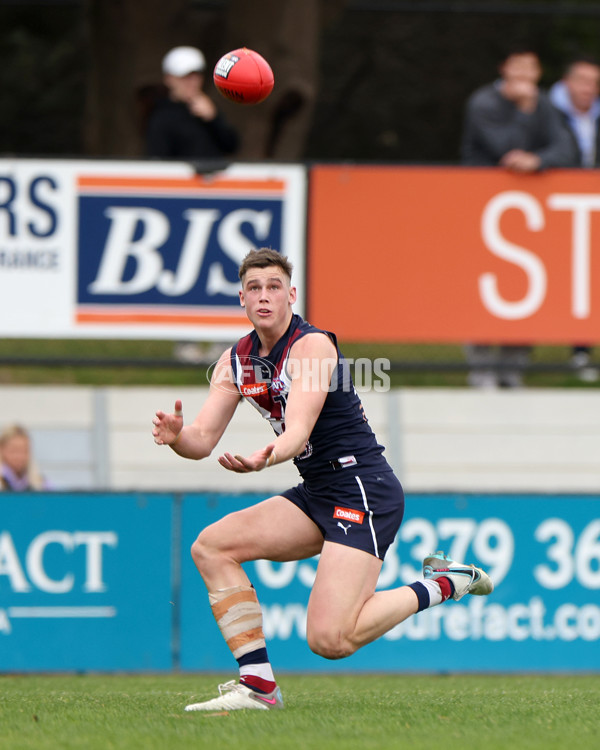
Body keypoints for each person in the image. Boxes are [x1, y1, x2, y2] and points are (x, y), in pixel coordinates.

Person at [152, 247, 494, 712]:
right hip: (318, 492)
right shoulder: (236, 359)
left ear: (291, 294)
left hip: (362, 488)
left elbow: (297, 431)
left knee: (330, 640)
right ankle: (258, 686)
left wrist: (264, 459)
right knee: (211, 546)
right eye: (255, 288)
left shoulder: (312, 346)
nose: (265, 296)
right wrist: (177, 438)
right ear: (242, 300)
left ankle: (447, 583)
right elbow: (202, 439)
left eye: (274, 287)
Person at [461, 48, 577, 388]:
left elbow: (565, 148)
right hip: (480, 208)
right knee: (481, 287)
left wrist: (538, 161)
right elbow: (503, 148)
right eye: (518, 67)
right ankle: (481, 371)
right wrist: (524, 111)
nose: (525, 75)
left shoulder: (544, 104)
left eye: (532, 68)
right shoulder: (482, 102)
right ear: (504, 69)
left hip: (525, 213)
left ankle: (512, 372)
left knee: (525, 291)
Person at [550, 56, 600, 383]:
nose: (589, 88)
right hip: (551, 203)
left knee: (589, 277)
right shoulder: (548, 112)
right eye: (583, 80)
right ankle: (512, 361)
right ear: (567, 82)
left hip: (589, 206)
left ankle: (581, 351)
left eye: (595, 82)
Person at [146, 45, 239, 160]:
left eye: (196, 76)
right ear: (169, 79)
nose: (192, 82)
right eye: (185, 77)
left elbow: (231, 146)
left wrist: (214, 118)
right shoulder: (161, 117)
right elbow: (158, 161)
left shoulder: (208, 110)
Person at [0, 424, 51, 491]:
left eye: (24, 451)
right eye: (14, 450)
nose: (19, 456)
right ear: (2, 450)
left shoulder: (40, 484)